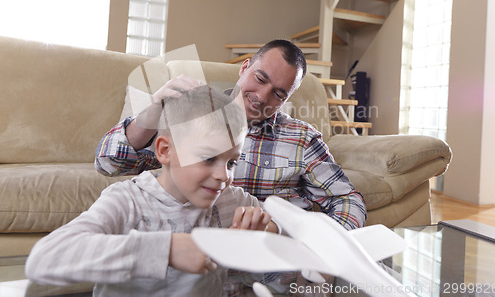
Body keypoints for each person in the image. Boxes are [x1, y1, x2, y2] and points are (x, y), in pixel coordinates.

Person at [26, 86, 278, 297]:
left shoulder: (229, 199)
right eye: (209, 158)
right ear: (165, 151)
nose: (224, 175)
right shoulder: (128, 201)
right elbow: (44, 259)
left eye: (231, 162)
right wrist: (165, 250)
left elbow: (285, 225)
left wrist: (267, 229)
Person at [95, 39, 367, 230]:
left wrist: (320, 250)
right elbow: (109, 163)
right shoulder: (193, 115)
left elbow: (347, 200)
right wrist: (153, 111)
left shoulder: (302, 138)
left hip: (273, 255)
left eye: (279, 93)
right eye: (260, 79)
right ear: (244, 67)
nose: (262, 97)